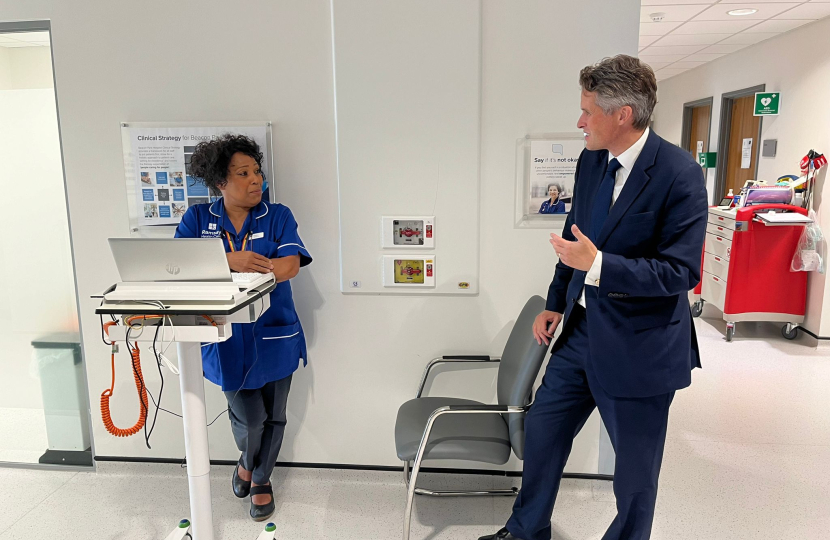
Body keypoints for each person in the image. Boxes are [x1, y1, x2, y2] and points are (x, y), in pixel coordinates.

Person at [481, 55, 707, 540]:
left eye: (588, 111)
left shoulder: (679, 173)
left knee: (634, 477)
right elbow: (573, 237)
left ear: (622, 114)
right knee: (543, 433)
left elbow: (680, 271)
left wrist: (599, 266)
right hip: (582, 334)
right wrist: (556, 301)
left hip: (641, 347)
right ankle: (526, 530)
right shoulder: (590, 160)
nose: (580, 121)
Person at [175, 134, 312, 521]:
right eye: (244, 173)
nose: (256, 180)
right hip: (223, 337)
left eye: (257, 172)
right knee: (250, 417)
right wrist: (230, 261)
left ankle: (260, 478)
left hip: (275, 332)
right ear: (221, 181)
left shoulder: (278, 215)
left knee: (275, 415)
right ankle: (246, 462)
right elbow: (179, 267)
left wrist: (256, 266)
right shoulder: (197, 219)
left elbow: (291, 265)